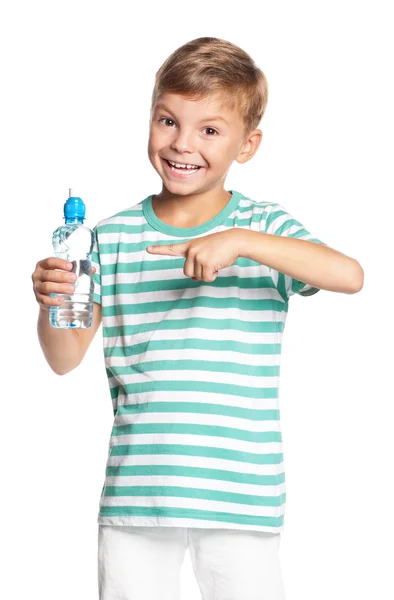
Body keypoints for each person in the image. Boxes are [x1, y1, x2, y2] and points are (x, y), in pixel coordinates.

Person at [32, 36, 364, 600]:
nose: (182, 143)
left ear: (248, 144)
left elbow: (349, 275)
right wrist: (52, 303)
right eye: (167, 120)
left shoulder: (263, 229)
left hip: (240, 494)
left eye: (210, 129)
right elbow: (64, 361)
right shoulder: (108, 238)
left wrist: (240, 241)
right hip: (138, 492)